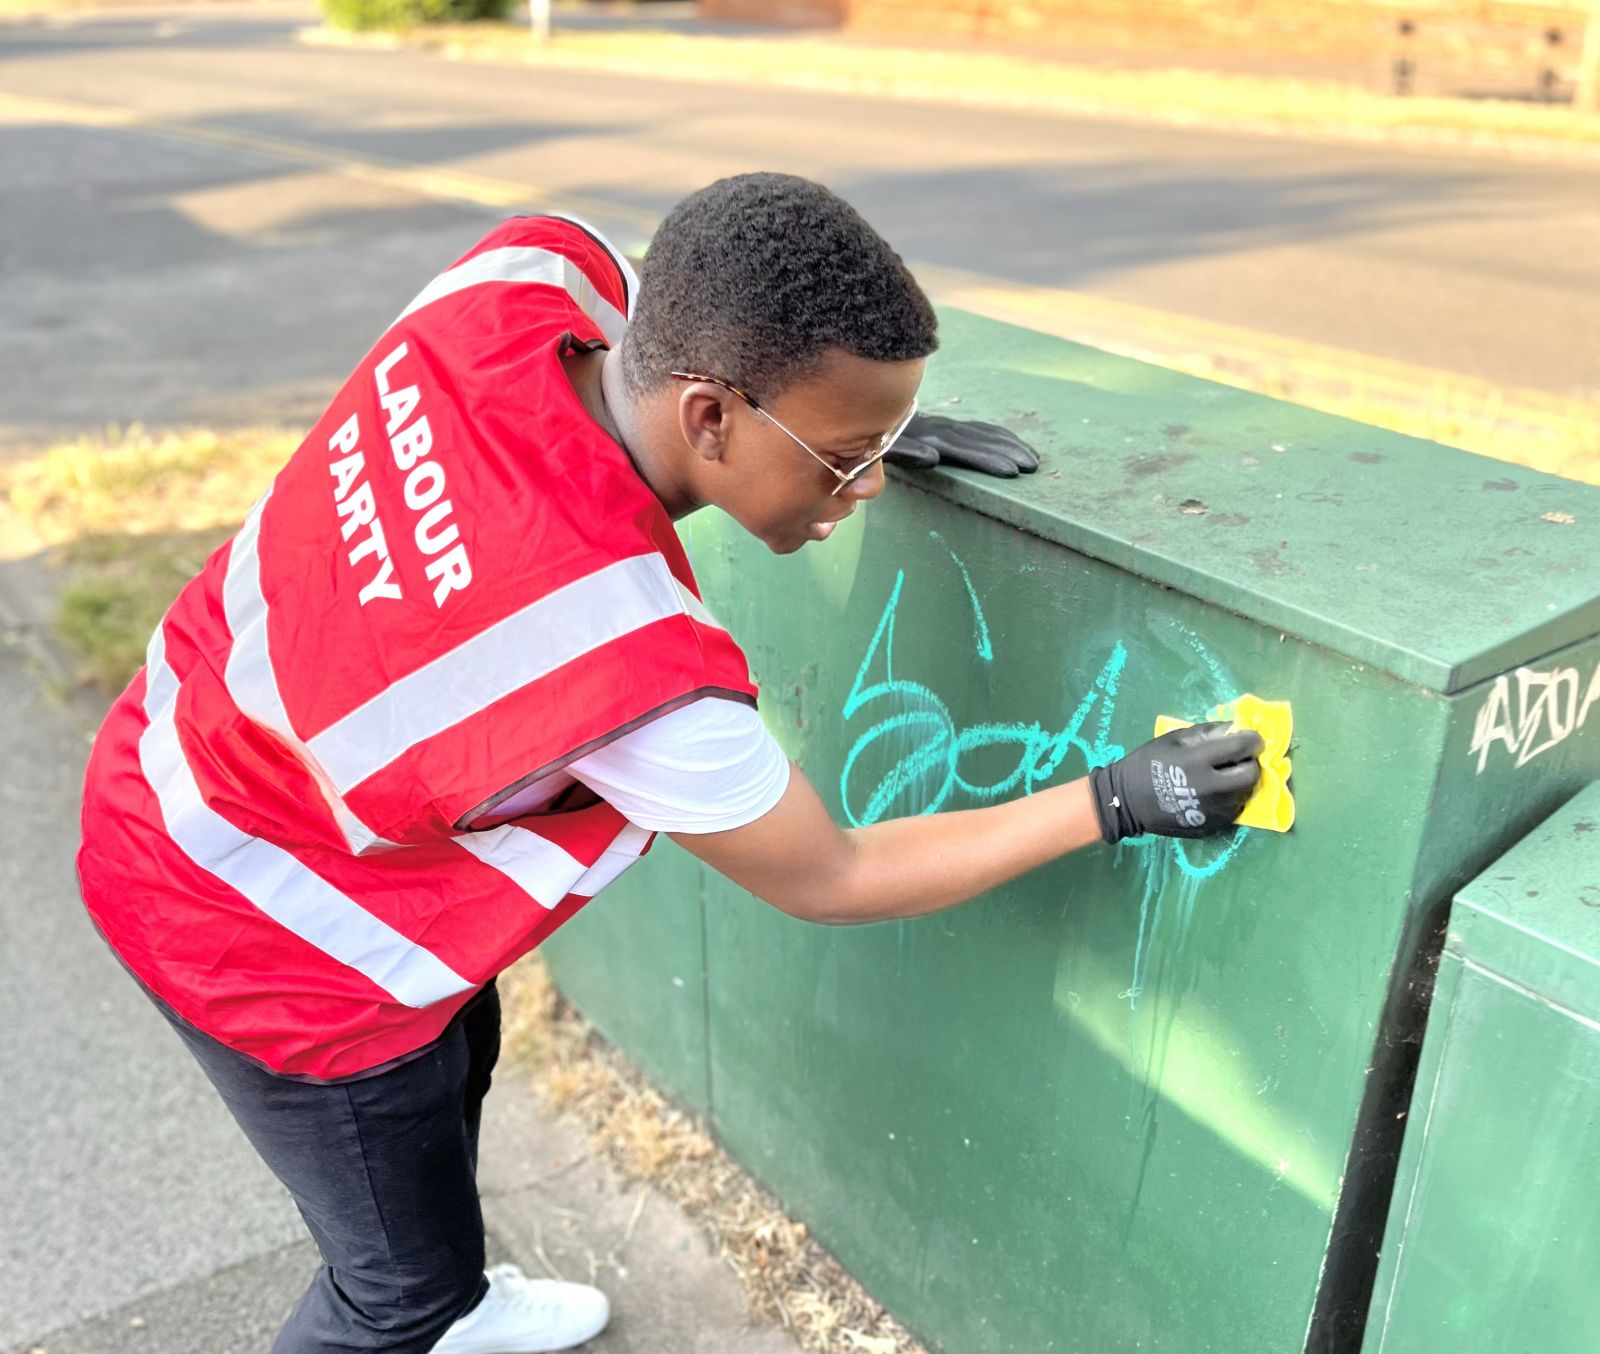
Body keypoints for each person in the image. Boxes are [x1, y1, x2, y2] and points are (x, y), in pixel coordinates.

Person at [76, 172, 1261, 1354]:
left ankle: (459, 1295)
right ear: (710, 419)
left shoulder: (532, 272)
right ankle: (435, 1308)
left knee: (456, 1057)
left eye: (877, 451)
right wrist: (1116, 798)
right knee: (389, 1290)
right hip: (263, 937)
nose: (867, 484)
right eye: (846, 457)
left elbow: (690, 325)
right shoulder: (613, 660)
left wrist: (849, 433)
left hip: (183, 764)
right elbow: (834, 873)